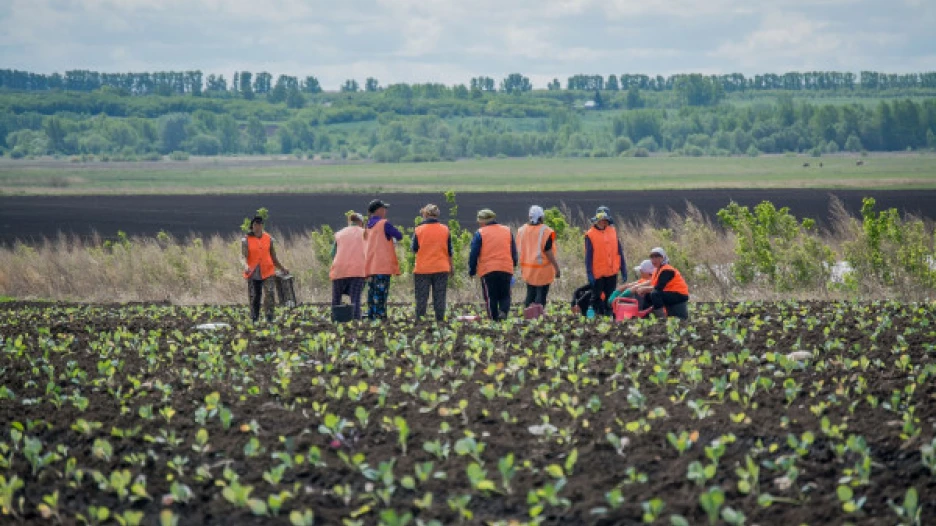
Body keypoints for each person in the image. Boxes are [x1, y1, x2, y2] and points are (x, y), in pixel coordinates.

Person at [468, 209, 518, 321]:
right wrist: (514, 263)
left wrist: (472, 270)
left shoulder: (480, 233)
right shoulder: (507, 230)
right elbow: (513, 251)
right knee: (505, 295)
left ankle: (494, 320)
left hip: (488, 270)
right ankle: (503, 313)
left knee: (491, 297)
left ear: (483, 221)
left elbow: (473, 253)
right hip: (506, 268)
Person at [241, 216, 289, 323]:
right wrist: (245, 266)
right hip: (253, 272)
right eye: (255, 225)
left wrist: (282, 268)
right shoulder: (246, 240)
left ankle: (269, 317)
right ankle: (254, 318)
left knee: (270, 293)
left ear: (262, 226)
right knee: (255, 296)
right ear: (252, 226)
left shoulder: (269, 239)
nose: (257, 227)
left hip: (268, 271)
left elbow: (273, 257)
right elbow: (243, 256)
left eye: (259, 225)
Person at [412, 204, 453, 321]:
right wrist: (451, 266)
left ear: (425, 215)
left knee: (421, 297)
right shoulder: (445, 229)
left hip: (423, 268)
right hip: (441, 267)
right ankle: (440, 320)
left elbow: (414, 248)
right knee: (440, 296)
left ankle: (420, 320)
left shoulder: (418, 229)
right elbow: (450, 251)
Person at [364, 199, 403, 320]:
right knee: (381, 294)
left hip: (370, 266)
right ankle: (380, 317)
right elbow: (399, 235)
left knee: (372, 294)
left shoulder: (368, 226)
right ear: (379, 210)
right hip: (382, 265)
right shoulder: (384, 224)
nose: (385, 211)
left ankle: (371, 316)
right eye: (384, 208)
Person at [584, 209, 627, 317]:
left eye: (606, 220)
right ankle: (592, 315)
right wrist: (589, 272)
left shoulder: (612, 231)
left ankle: (608, 315)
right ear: (597, 221)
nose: (604, 222)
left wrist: (623, 268)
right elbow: (588, 256)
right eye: (602, 220)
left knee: (610, 295)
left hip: (612, 270)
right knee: (596, 295)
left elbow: (619, 250)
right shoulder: (590, 234)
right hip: (598, 271)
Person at [517, 205, 561, 307]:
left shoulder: (521, 230)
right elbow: (548, 251)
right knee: (540, 296)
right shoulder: (546, 231)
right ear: (541, 217)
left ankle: (527, 315)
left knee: (530, 294)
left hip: (527, 270)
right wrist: (557, 268)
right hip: (542, 270)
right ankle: (537, 317)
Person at [329, 212, 367, 320]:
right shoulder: (365, 233)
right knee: (355, 298)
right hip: (357, 270)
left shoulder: (340, 233)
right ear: (360, 222)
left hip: (339, 269)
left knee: (336, 298)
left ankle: (335, 320)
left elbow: (333, 253)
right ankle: (355, 321)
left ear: (350, 222)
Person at [634, 247, 690, 319]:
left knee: (655, 294)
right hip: (669, 293)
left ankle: (661, 318)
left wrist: (644, 289)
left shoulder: (667, 270)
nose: (654, 260)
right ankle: (645, 316)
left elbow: (658, 288)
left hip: (679, 295)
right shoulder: (657, 270)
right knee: (648, 295)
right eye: (652, 257)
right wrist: (643, 289)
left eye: (657, 257)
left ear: (663, 258)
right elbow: (652, 285)